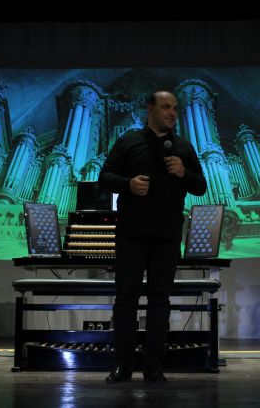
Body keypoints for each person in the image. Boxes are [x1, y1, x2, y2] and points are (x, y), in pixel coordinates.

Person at [98, 91, 207, 383]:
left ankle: (153, 366)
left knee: (160, 300)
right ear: (150, 109)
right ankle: (123, 365)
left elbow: (201, 187)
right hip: (131, 234)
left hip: (167, 236)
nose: (172, 113)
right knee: (126, 299)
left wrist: (183, 173)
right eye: (166, 107)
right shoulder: (128, 141)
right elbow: (104, 177)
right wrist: (128, 184)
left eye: (175, 108)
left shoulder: (183, 147)